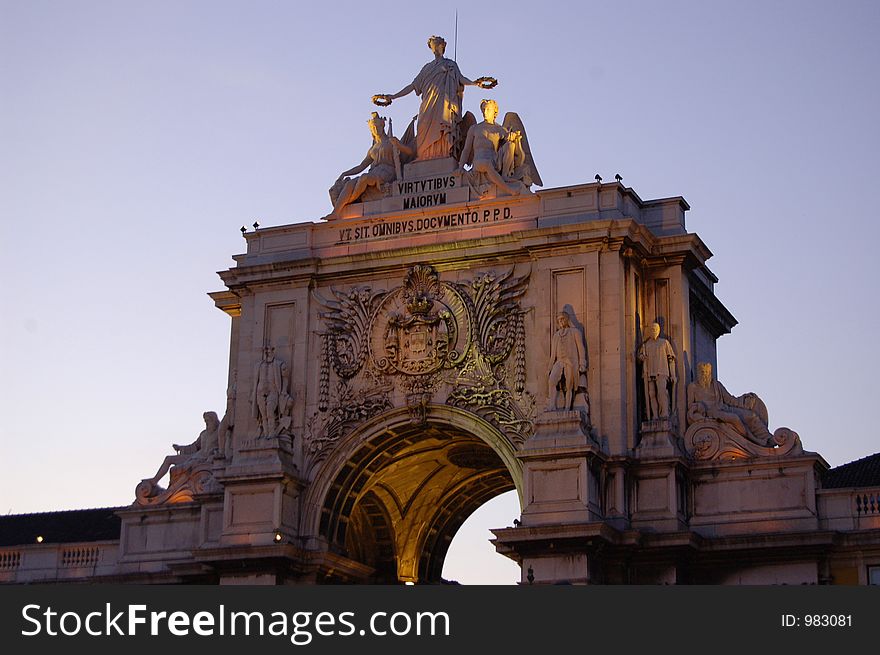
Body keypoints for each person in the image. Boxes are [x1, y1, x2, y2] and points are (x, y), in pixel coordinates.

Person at [372, 35, 496, 160]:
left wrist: (475, 83)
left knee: (443, 126)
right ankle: (424, 157)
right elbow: (413, 86)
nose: (435, 48)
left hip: (444, 104)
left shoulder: (450, 64)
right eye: (432, 46)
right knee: (423, 129)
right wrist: (394, 96)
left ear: (443, 46)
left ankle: (444, 155)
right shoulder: (427, 68)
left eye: (437, 45)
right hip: (428, 106)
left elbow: (461, 79)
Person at [325, 112, 415, 220]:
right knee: (349, 183)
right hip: (375, 172)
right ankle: (336, 212)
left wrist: (398, 144)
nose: (376, 129)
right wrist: (345, 173)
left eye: (378, 126)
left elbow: (410, 152)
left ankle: (351, 199)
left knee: (364, 178)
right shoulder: (373, 149)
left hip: (388, 171)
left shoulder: (391, 141)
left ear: (383, 126)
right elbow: (361, 166)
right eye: (373, 127)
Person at [687, 362, 775, 446]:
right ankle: (753, 440)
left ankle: (767, 438)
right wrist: (699, 407)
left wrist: (745, 399)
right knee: (735, 418)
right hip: (711, 413)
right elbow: (690, 405)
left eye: (707, 372)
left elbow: (730, 399)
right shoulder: (693, 387)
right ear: (698, 373)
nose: (705, 375)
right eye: (702, 372)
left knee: (750, 415)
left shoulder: (716, 385)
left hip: (725, 408)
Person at [458, 99, 523, 196]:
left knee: (511, 145)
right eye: (483, 109)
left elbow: (513, 149)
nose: (485, 112)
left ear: (494, 111)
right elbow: (466, 150)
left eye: (488, 109)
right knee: (486, 164)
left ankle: (504, 176)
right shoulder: (474, 128)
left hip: (494, 161)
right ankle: (509, 190)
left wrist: (513, 137)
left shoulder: (500, 129)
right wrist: (460, 167)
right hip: (479, 162)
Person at [146, 411, 221, 485]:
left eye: (208, 421)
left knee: (174, 470)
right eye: (205, 421)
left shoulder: (219, 432)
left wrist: (214, 453)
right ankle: (154, 480)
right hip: (196, 456)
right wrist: (180, 448)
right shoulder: (203, 434)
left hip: (204, 460)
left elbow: (222, 448)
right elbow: (194, 446)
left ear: (213, 420)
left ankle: (174, 489)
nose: (207, 423)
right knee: (168, 459)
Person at [547, 312, 587, 411]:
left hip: (571, 362)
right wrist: (549, 368)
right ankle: (552, 405)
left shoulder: (575, 332)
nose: (561, 321)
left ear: (566, 319)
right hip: (559, 361)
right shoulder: (556, 336)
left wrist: (582, 363)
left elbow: (581, 348)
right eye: (559, 320)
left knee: (569, 385)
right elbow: (553, 355)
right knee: (552, 380)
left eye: (562, 319)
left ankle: (568, 407)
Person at [638, 322, 676, 419]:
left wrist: (673, 374)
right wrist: (641, 357)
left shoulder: (664, 343)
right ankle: (654, 415)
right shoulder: (646, 345)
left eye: (656, 329)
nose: (654, 331)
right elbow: (640, 355)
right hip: (649, 371)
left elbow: (671, 359)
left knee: (662, 392)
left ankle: (664, 413)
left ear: (659, 331)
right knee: (651, 393)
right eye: (652, 329)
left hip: (662, 370)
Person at [252, 344, 290, 437]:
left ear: (273, 350)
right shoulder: (258, 366)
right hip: (260, 392)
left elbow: (285, 378)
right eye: (265, 349)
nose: (266, 351)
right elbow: (255, 381)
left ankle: (272, 433)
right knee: (263, 415)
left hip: (273, 391)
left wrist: (284, 390)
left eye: (268, 349)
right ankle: (266, 434)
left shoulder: (279, 364)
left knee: (270, 411)